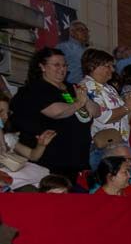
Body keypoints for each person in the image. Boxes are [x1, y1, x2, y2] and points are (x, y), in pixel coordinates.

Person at [9, 47, 99, 176]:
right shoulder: (33, 90)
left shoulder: (71, 88)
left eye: (64, 65)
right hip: (49, 161)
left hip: (78, 160)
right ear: (42, 66)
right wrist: (79, 103)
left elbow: (96, 111)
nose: (62, 69)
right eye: (56, 65)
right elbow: (56, 112)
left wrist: (84, 102)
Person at [55, 21, 90, 85]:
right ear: (72, 32)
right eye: (81, 30)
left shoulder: (87, 51)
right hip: (68, 85)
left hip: (83, 87)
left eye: (86, 30)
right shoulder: (64, 47)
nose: (85, 32)